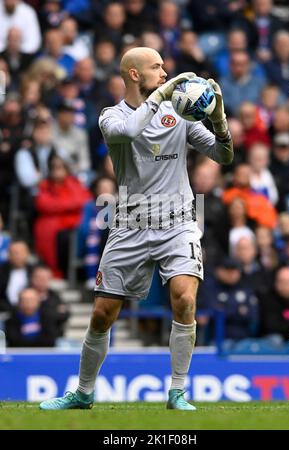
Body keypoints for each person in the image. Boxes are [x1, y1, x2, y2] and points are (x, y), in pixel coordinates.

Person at [39, 46, 233, 411]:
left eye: (164, 66)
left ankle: (177, 391)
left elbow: (223, 156)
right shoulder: (110, 116)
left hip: (178, 222)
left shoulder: (181, 114)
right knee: (102, 314)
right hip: (130, 225)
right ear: (133, 74)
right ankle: (83, 392)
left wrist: (219, 120)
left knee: (185, 297)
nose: (165, 72)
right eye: (157, 67)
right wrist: (162, 96)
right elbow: (128, 131)